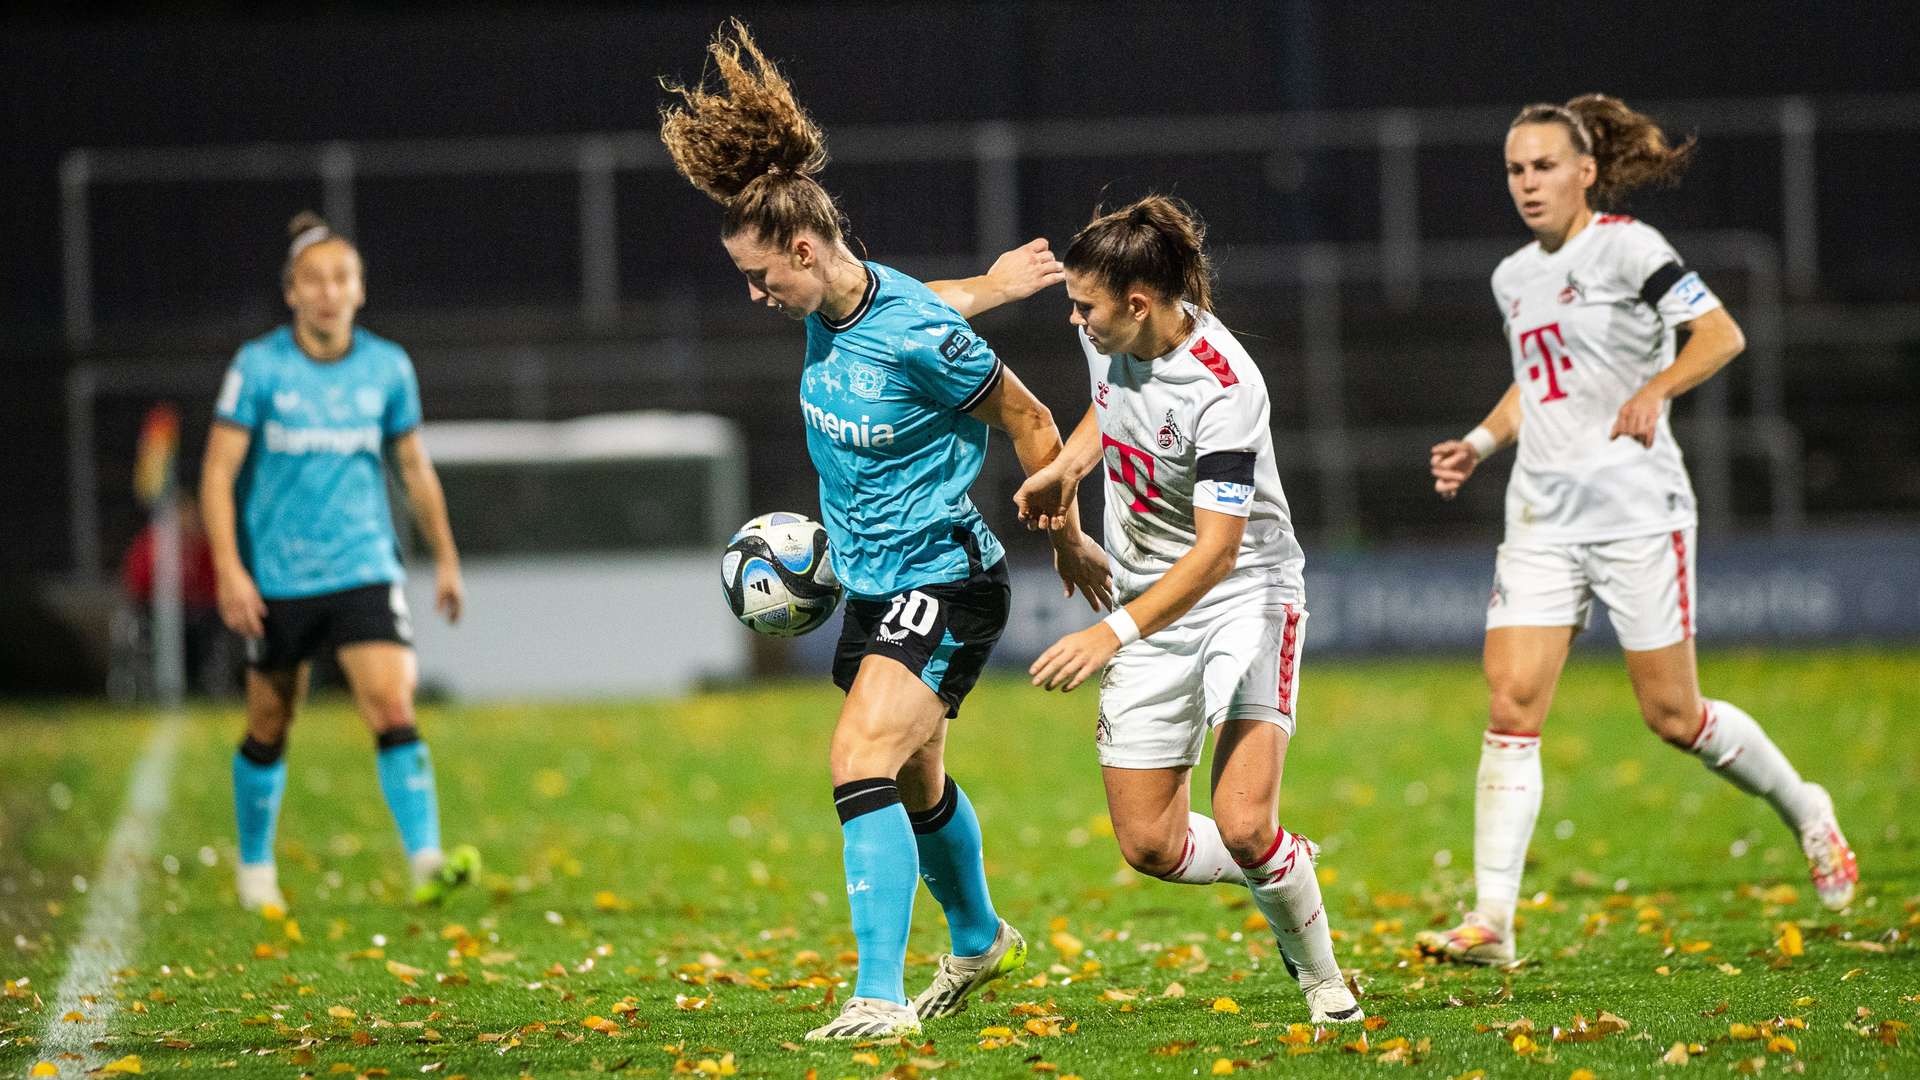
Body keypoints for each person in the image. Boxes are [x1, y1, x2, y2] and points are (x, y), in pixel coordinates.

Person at [657, 21, 1109, 1040]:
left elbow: (1032, 417)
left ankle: (878, 997)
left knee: (859, 755)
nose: (756, 293)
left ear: (807, 251)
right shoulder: (838, 305)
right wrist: (989, 287)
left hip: (944, 579)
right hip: (874, 584)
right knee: (915, 780)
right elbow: (912, 304)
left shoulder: (908, 330)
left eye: (763, 276)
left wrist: (1067, 535)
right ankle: (983, 937)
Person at [1417, 95, 1857, 966]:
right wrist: (1478, 440)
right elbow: (1535, 384)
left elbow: (1719, 334)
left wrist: (1658, 388)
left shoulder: (1630, 247)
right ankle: (1493, 922)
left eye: (1544, 166)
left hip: (1634, 513)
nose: (1528, 183)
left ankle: (1805, 805)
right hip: (1541, 515)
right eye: (1515, 169)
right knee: (1510, 699)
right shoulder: (1513, 276)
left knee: (1674, 714)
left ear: (1585, 171)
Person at [1014, 195, 1364, 1025]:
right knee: (1150, 846)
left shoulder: (1227, 387)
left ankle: (1325, 987)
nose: (1075, 319)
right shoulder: (1110, 333)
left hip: (1243, 596)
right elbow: (1115, 405)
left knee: (1244, 823)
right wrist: (1068, 467)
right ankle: (1288, 867)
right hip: (1145, 595)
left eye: (1085, 305)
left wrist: (1111, 632)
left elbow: (1217, 551)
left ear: (1138, 303)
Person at [201, 211, 480, 914]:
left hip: (364, 566)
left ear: (360, 290)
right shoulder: (258, 367)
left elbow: (414, 469)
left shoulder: (387, 367)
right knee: (270, 721)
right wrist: (231, 570)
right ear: (292, 292)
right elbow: (215, 473)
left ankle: (426, 862)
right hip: (279, 577)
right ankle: (256, 871)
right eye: (313, 279)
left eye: (341, 278)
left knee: (391, 703)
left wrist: (446, 558)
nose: (328, 291)